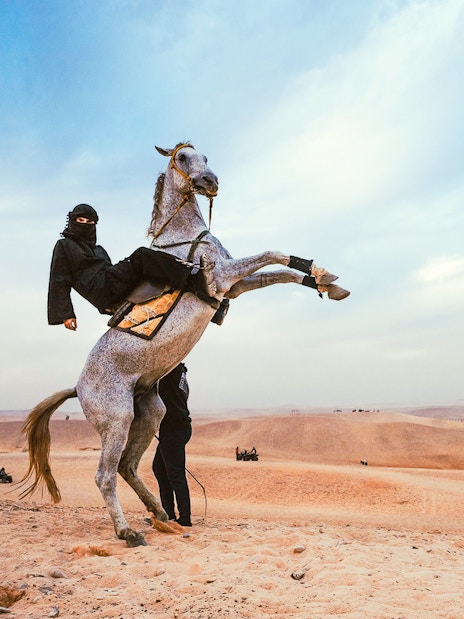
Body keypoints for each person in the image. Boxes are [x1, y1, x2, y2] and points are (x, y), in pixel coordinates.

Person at [48, 204, 216, 329]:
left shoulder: (98, 250)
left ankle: (200, 303)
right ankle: (193, 280)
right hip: (102, 289)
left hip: (109, 281)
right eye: (80, 221)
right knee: (141, 256)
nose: (84, 224)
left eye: (89, 222)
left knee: (152, 273)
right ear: (72, 221)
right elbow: (59, 279)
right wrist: (66, 315)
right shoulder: (64, 245)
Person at [152, 363, 192, 527]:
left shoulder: (171, 370)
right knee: (160, 469)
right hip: (175, 428)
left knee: (175, 475)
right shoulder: (179, 372)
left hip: (174, 428)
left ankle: (184, 519)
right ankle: (168, 514)